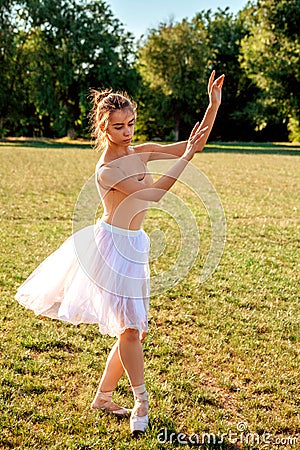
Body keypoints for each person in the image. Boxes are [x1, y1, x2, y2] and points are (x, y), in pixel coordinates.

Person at [15, 70, 224, 435]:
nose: (127, 132)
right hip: (113, 248)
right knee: (130, 329)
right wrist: (186, 157)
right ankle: (141, 401)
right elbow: (152, 196)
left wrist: (212, 107)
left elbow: (195, 143)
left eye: (131, 123)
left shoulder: (138, 152)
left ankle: (103, 396)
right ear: (103, 127)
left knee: (134, 332)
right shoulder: (107, 170)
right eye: (119, 126)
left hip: (136, 244)